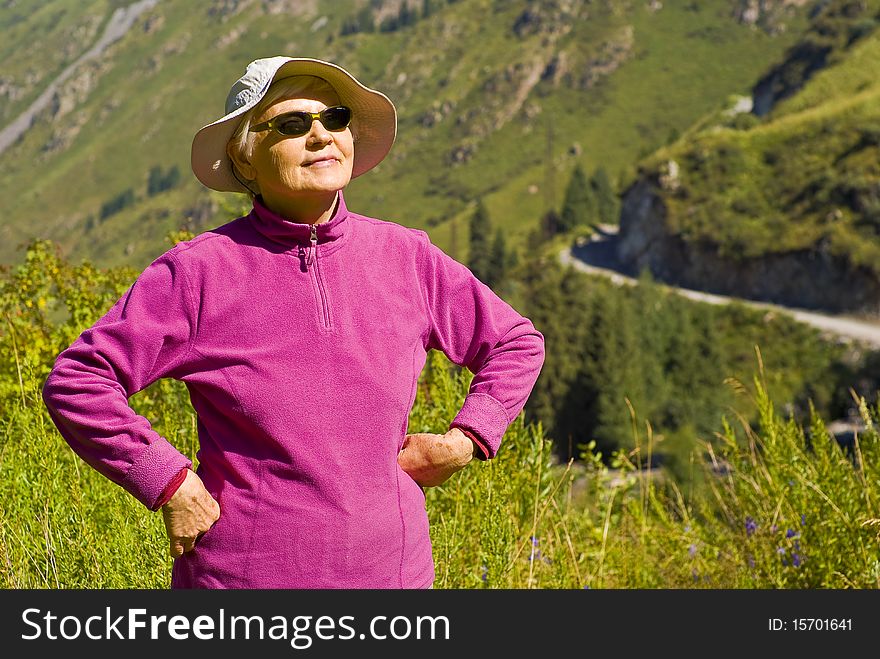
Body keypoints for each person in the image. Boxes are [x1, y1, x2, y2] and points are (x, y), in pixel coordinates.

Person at [42, 56, 545, 589]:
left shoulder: (405, 255)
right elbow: (78, 382)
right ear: (247, 159)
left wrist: (466, 439)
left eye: (335, 117)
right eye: (292, 124)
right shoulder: (197, 272)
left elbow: (514, 342)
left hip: (396, 580)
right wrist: (169, 483)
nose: (321, 135)